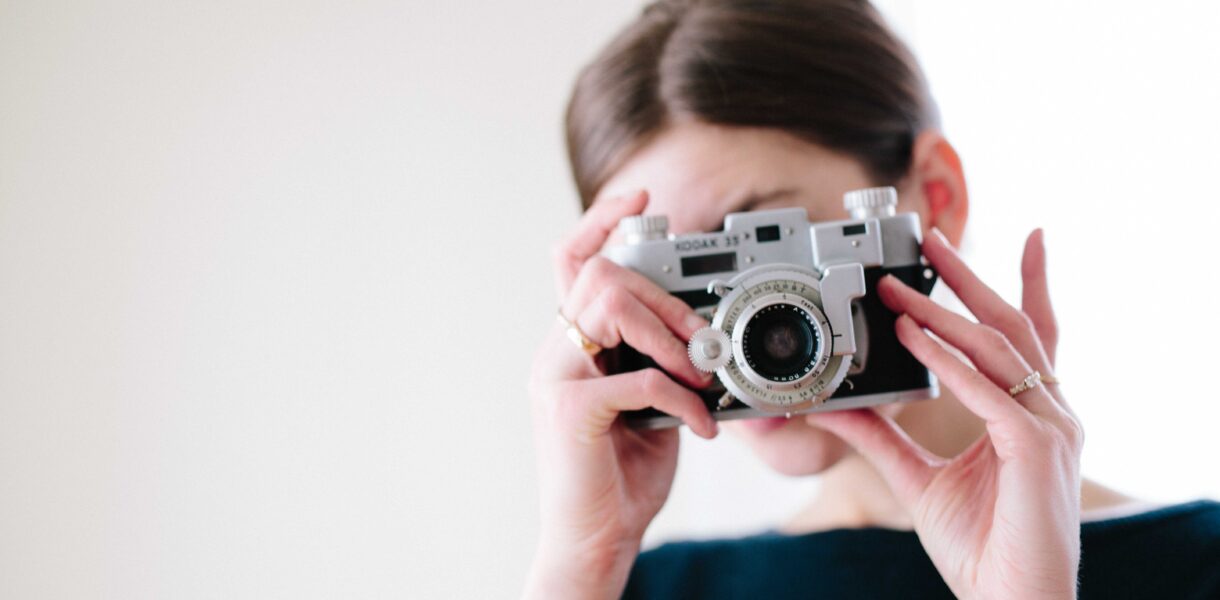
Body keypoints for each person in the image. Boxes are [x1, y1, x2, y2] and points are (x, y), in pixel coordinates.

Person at [524, 1, 1220, 598]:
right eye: (676, 275)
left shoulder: (1199, 566)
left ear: (933, 202)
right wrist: (578, 563)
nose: (732, 324)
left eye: (765, 247)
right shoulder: (641, 588)